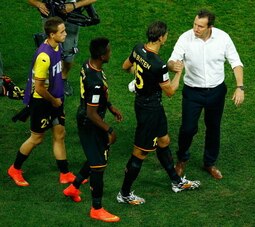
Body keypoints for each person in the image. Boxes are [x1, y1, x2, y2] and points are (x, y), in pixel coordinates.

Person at [116, 21, 200, 206]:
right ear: (161, 37)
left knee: (164, 141)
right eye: (166, 35)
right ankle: (124, 193)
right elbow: (170, 92)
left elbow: (125, 66)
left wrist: (145, 76)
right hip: (150, 110)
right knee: (139, 152)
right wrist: (179, 73)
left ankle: (176, 182)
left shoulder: (138, 49)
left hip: (144, 104)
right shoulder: (159, 65)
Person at [167, 9, 245, 180]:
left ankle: (209, 163)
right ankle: (181, 159)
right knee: (187, 128)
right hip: (193, 92)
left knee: (213, 127)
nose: (196, 28)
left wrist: (240, 87)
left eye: (200, 26)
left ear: (210, 26)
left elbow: (235, 62)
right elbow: (172, 60)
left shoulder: (223, 38)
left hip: (216, 92)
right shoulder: (185, 38)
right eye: (195, 24)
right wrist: (174, 66)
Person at [7, 17, 77, 186]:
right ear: (52, 35)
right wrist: (54, 101)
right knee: (36, 138)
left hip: (56, 99)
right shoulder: (44, 56)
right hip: (43, 102)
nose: (65, 34)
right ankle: (15, 169)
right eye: (62, 32)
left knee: (59, 133)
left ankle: (65, 173)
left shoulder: (57, 46)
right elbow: (39, 88)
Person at [63, 37, 122, 223]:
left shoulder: (88, 65)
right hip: (90, 123)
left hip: (90, 117)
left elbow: (95, 98)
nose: (110, 53)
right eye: (109, 51)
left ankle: (73, 187)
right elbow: (91, 113)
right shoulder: (95, 81)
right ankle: (96, 209)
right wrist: (109, 129)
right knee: (98, 165)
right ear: (102, 55)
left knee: (96, 158)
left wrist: (110, 106)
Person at [28, 0, 97, 96]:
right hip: (50, 17)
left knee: (69, 54)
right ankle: (46, 81)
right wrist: (39, 4)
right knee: (48, 53)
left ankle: (63, 78)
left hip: (72, 18)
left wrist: (74, 5)